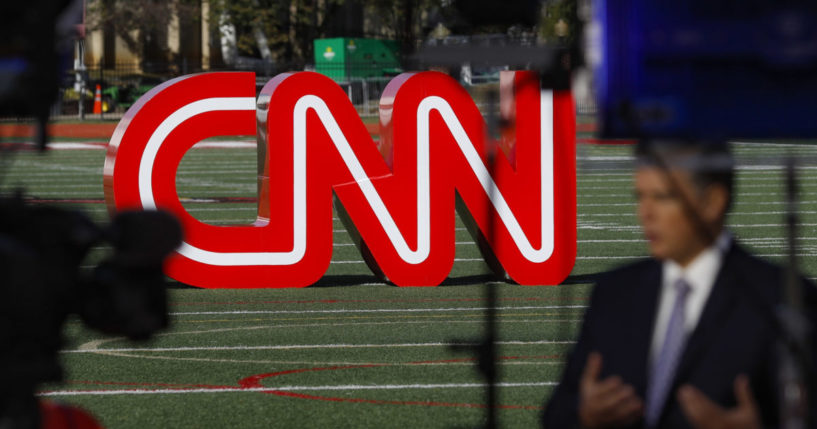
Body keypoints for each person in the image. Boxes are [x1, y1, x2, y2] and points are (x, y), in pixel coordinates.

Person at [543, 140, 816, 428]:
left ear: (712, 202)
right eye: (640, 196)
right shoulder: (613, 293)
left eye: (662, 197)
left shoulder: (782, 299)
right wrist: (583, 417)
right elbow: (556, 415)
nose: (645, 213)